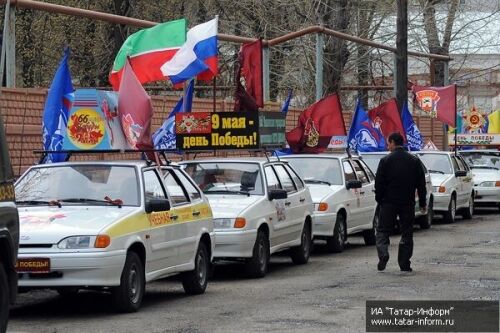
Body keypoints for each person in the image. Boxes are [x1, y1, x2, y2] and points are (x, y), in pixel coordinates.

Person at [375, 132, 427, 272]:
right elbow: (421, 185)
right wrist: (422, 203)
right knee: (407, 232)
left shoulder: (385, 161)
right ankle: (404, 263)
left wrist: (380, 200)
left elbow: (378, 184)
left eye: (388, 143)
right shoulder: (414, 161)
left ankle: (383, 254)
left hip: (388, 202)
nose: (388, 146)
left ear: (392, 142)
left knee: (383, 230)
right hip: (407, 203)